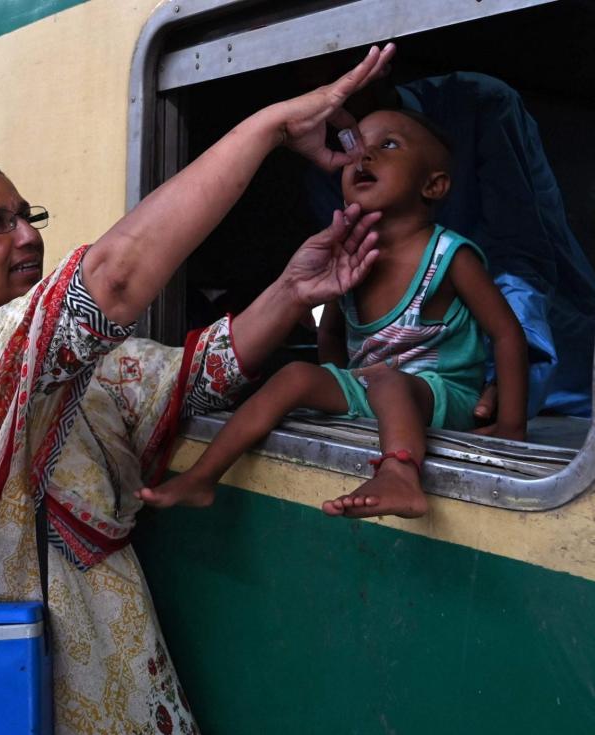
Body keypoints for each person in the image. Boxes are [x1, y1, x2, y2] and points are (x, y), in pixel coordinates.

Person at [0, 45, 396, 735]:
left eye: (26, 216)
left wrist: (291, 293)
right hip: (5, 656)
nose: (27, 235)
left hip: (103, 642)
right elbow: (117, 283)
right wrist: (267, 128)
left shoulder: (55, 361)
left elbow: (196, 376)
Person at [138, 109, 527, 519]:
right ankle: (203, 476)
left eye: (387, 145)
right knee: (293, 376)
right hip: (376, 387)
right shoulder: (349, 259)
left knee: (388, 382)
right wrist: (333, 384)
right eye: (353, 145)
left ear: (433, 185)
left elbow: (507, 335)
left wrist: (512, 428)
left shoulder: (449, 256)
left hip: (445, 393)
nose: (364, 155)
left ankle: (400, 475)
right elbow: (332, 335)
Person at [306, 71, 595, 420]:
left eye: (388, 144)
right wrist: (340, 395)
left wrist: (509, 395)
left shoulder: (480, 103)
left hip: (534, 362)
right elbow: (336, 322)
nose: (362, 156)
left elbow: (520, 256)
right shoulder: (328, 164)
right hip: (382, 400)